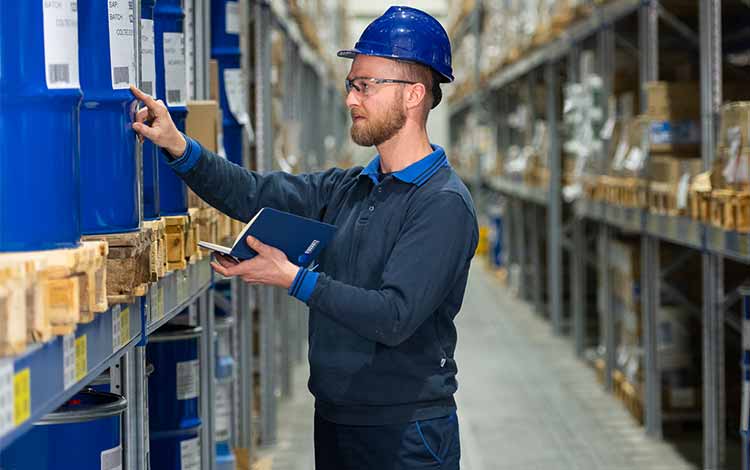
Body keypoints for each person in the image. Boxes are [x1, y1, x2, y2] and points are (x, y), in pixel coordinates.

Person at [131, 6, 477, 469]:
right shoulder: (350, 187)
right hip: (336, 419)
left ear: (414, 95)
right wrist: (180, 147)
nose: (352, 98)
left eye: (366, 85)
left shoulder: (442, 203)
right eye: (351, 84)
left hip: (405, 434)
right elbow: (254, 192)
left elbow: (393, 315)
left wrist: (292, 277)